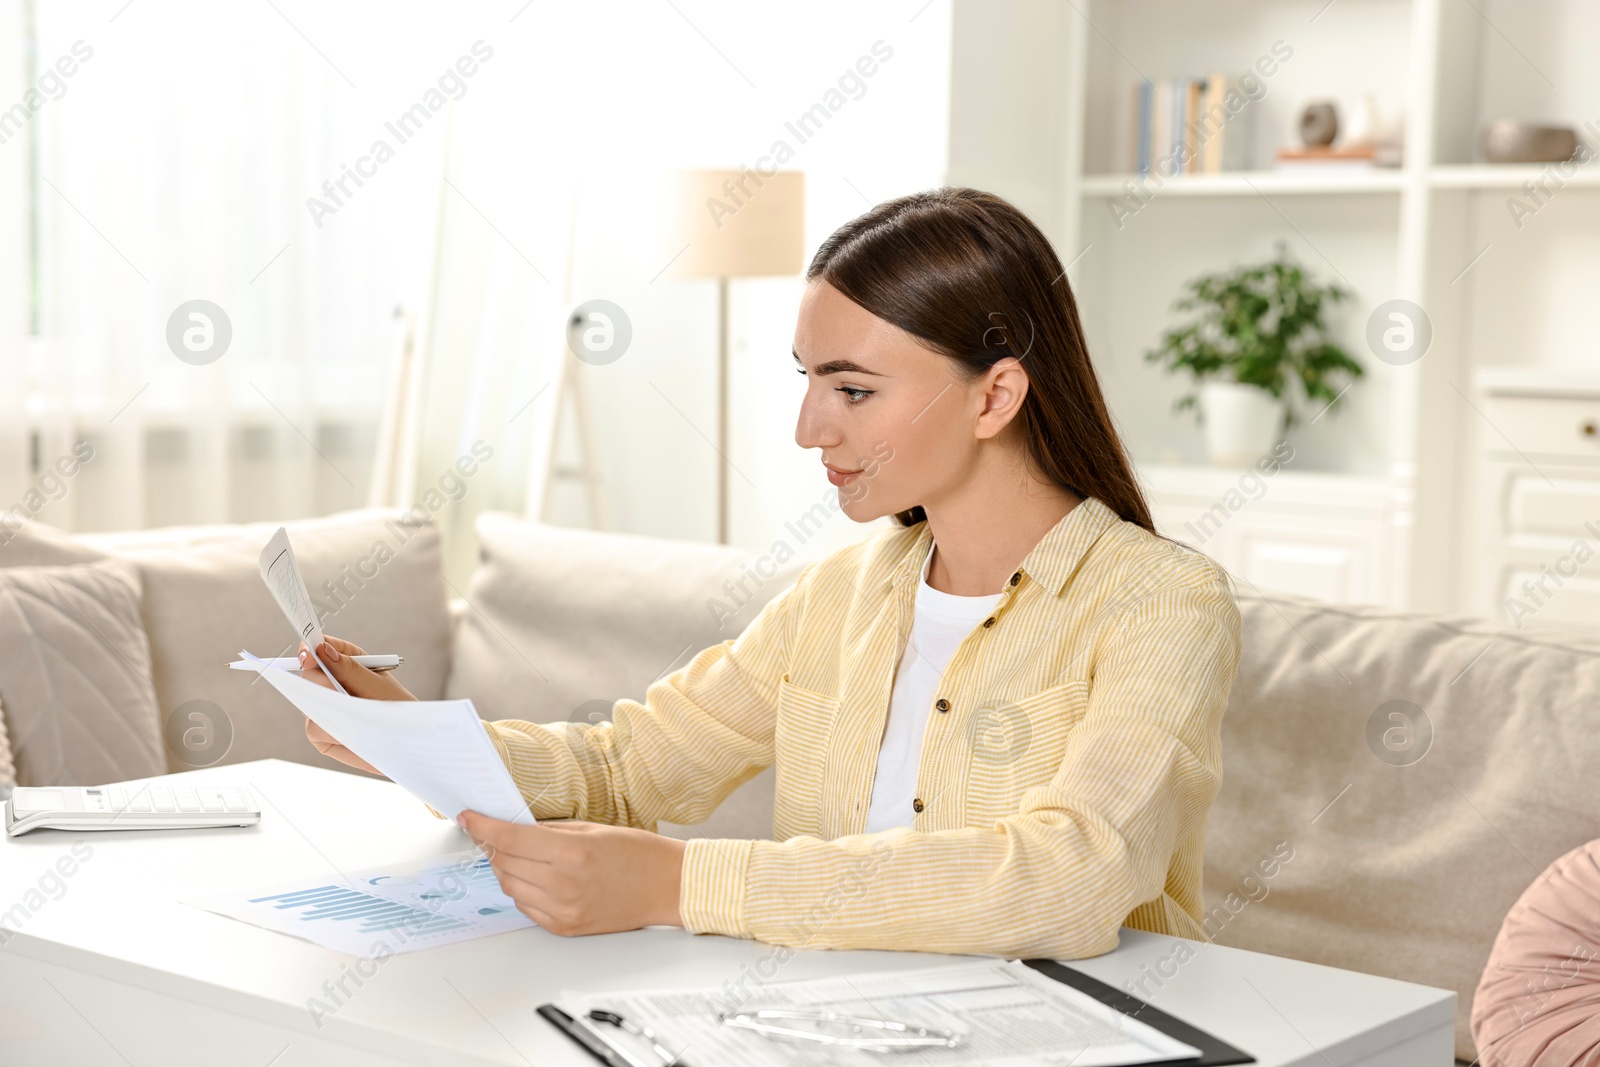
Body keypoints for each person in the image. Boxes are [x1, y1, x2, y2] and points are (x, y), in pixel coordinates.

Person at [301, 187, 1242, 959]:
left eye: (854, 390)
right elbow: (630, 770)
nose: (810, 429)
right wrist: (414, 736)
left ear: (996, 393)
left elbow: (1067, 880)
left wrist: (680, 883)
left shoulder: (1162, 605)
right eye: (807, 380)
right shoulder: (842, 594)